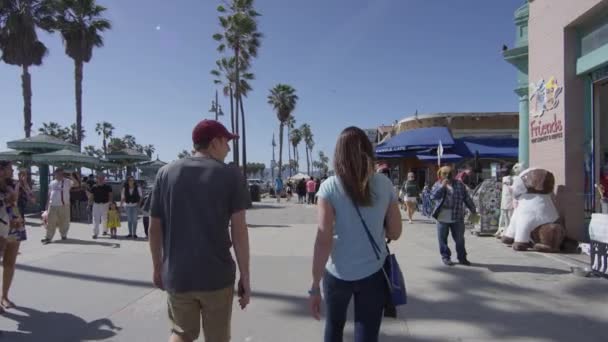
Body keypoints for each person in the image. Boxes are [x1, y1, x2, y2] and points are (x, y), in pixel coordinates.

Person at [149, 119, 250, 342]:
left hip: (177, 275)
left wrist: (158, 267)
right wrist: (245, 276)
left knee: (180, 333)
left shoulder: (165, 173)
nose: (229, 147)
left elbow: (154, 227)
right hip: (216, 276)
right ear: (214, 142)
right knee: (218, 338)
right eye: (226, 142)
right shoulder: (231, 175)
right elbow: (239, 230)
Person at [309, 127, 403, 342]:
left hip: (337, 273)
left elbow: (323, 240)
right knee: (367, 333)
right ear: (368, 151)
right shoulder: (384, 183)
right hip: (374, 272)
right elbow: (395, 232)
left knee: (334, 326)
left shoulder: (329, 187)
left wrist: (314, 286)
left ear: (338, 154)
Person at [431, 166, 477, 266]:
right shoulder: (437, 184)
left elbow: (466, 198)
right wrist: (442, 186)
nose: (448, 175)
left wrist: (473, 209)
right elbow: (433, 196)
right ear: (440, 175)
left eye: (450, 173)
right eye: (444, 173)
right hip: (442, 216)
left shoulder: (460, 184)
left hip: (457, 216)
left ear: (454, 174)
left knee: (460, 239)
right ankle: (446, 257)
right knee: (442, 239)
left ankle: (462, 258)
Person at [0, 161, 25, 311]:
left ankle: (4, 296)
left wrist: (20, 185)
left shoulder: (12, 184)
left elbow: (19, 199)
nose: (13, 170)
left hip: (14, 222)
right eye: (10, 168)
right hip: (1, 223)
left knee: (10, 263)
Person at [41, 168, 74, 244]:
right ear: (55, 174)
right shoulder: (52, 183)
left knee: (64, 221)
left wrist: (71, 175)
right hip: (53, 205)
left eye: (61, 173)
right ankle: (48, 237)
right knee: (51, 221)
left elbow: (76, 184)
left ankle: (63, 234)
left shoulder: (67, 181)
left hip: (64, 205)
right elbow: (49, 195)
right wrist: (46, 206)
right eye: (58, 173)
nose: (59, 175)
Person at [87, 173, 113, 239]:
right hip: (96, 204)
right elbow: (91, 196)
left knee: (105, 218)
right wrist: (89, 204)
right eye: (99, 178)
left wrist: (110, 203)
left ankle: (105, 230)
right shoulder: (94, 187)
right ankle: (95, 233)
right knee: (95, 219)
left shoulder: (108, 187)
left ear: (104, 179)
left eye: (102, 178)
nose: (101, 179)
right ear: (97, 179)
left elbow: (110, 195)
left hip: (105, 204)